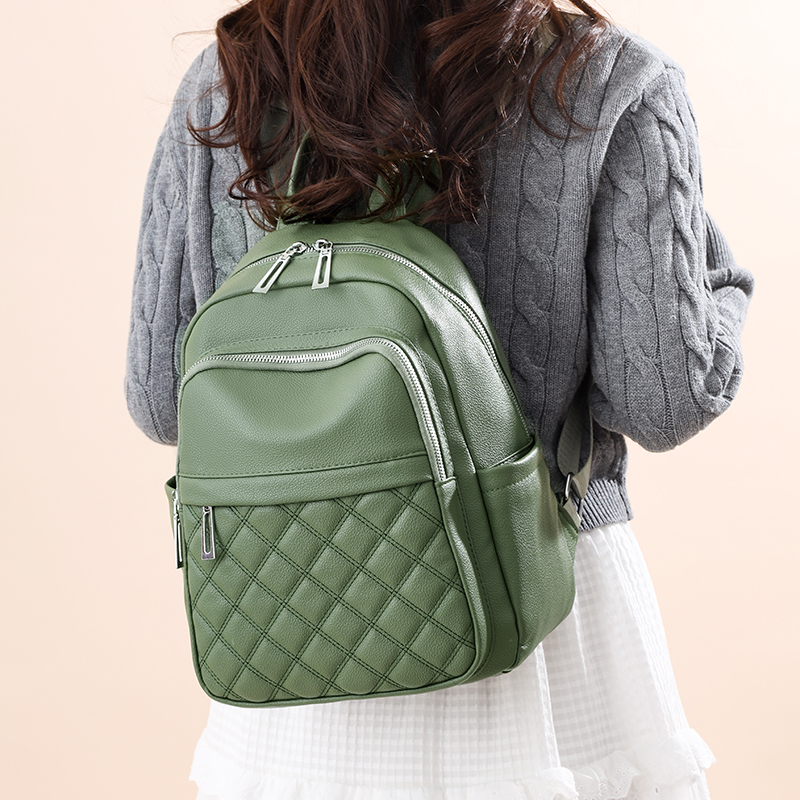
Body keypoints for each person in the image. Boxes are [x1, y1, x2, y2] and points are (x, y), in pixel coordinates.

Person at [126, 1, 753, 798]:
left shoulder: (233, 75)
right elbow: (665, 399)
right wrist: (720, 286)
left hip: (289, 613)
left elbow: (161, 399)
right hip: (539, 607)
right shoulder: (606, 76)